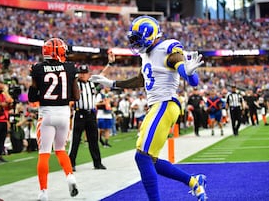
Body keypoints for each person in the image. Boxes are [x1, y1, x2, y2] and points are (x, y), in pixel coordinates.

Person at [90, 15, 206, 201]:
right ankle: (193, 182)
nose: (135, 43)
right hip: (157, 106)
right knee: (150, 159)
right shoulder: (146, 54)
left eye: (138, 39)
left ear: (151, 35)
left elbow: (185, 71)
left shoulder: (168, 48)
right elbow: (141, 80)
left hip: (165, 104)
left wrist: (190, 74)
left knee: (141, 157)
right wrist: (111, 83)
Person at [28, 37, 80, 201]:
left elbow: (31, 97)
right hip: (64, 114)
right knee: (60, 150)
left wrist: (34, 79)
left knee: (44, 153)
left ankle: (43, 192)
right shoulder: (70, 67)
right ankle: (70, 176)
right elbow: (77, 96)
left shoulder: (38, 68)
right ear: (59, 51)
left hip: (47, 114)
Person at [68, 64, 106, 171]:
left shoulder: (92, 84)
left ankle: (97, 163)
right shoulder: (74, 84)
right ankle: (71, 164)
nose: (83, 75)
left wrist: (110, 63)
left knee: (94, 139)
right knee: (75, 139)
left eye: (85, 73)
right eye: (81, 73)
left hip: (91, 114)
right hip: (79, 113)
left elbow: (102, 75)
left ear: (89, 74)